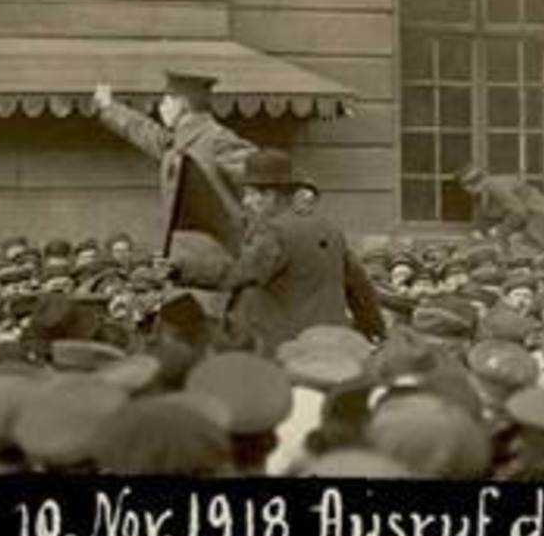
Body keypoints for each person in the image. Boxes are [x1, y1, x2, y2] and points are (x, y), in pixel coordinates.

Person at [222, 149, 385, 351]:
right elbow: (360, 289)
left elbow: (234, 276)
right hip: (332, 349)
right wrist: (376, 331)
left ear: (269, 196)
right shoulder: (330, 229)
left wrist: (183, 268)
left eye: (250, 194)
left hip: (288, 353)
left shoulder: (272, 232)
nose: (245, 202)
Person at [93, 71, 256, 258]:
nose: (161, 106)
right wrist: (109, 107)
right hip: (188, 257)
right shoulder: (177, 142)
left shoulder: (217, 139)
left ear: (183, 104)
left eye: (167, 99)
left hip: (219, 257)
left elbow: (266, 178)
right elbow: (145, 131)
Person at [455, 164, 544, 251]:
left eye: (466, 188)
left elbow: (519, 212)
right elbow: (492, 215)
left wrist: (500, 230)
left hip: (542, 220)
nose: (468, 192)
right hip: (533, 219)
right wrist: (482, 230)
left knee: (537, 255)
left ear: (470, 185)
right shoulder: (487, 189)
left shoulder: (495, 186)